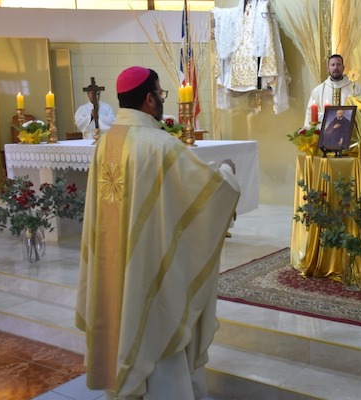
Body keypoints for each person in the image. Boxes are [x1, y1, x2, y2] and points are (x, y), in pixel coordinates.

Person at [75, 66, 240, 400]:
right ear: (150, 99)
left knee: (118, 312)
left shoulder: (105, 143)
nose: (162, 100)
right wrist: (226, 171)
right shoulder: (160, 145)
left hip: (111, 265)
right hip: (148, 269)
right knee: (156, 320)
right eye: (160, 93)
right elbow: (205, 194)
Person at [304, 54, 361, 126]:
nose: (336, 67)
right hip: (326, 131)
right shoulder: (317, 91)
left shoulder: (356, 89)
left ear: (343, 68)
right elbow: (310, 116)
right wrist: (328, 116)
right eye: (332, 65)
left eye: (338, 64)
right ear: (328, 69)